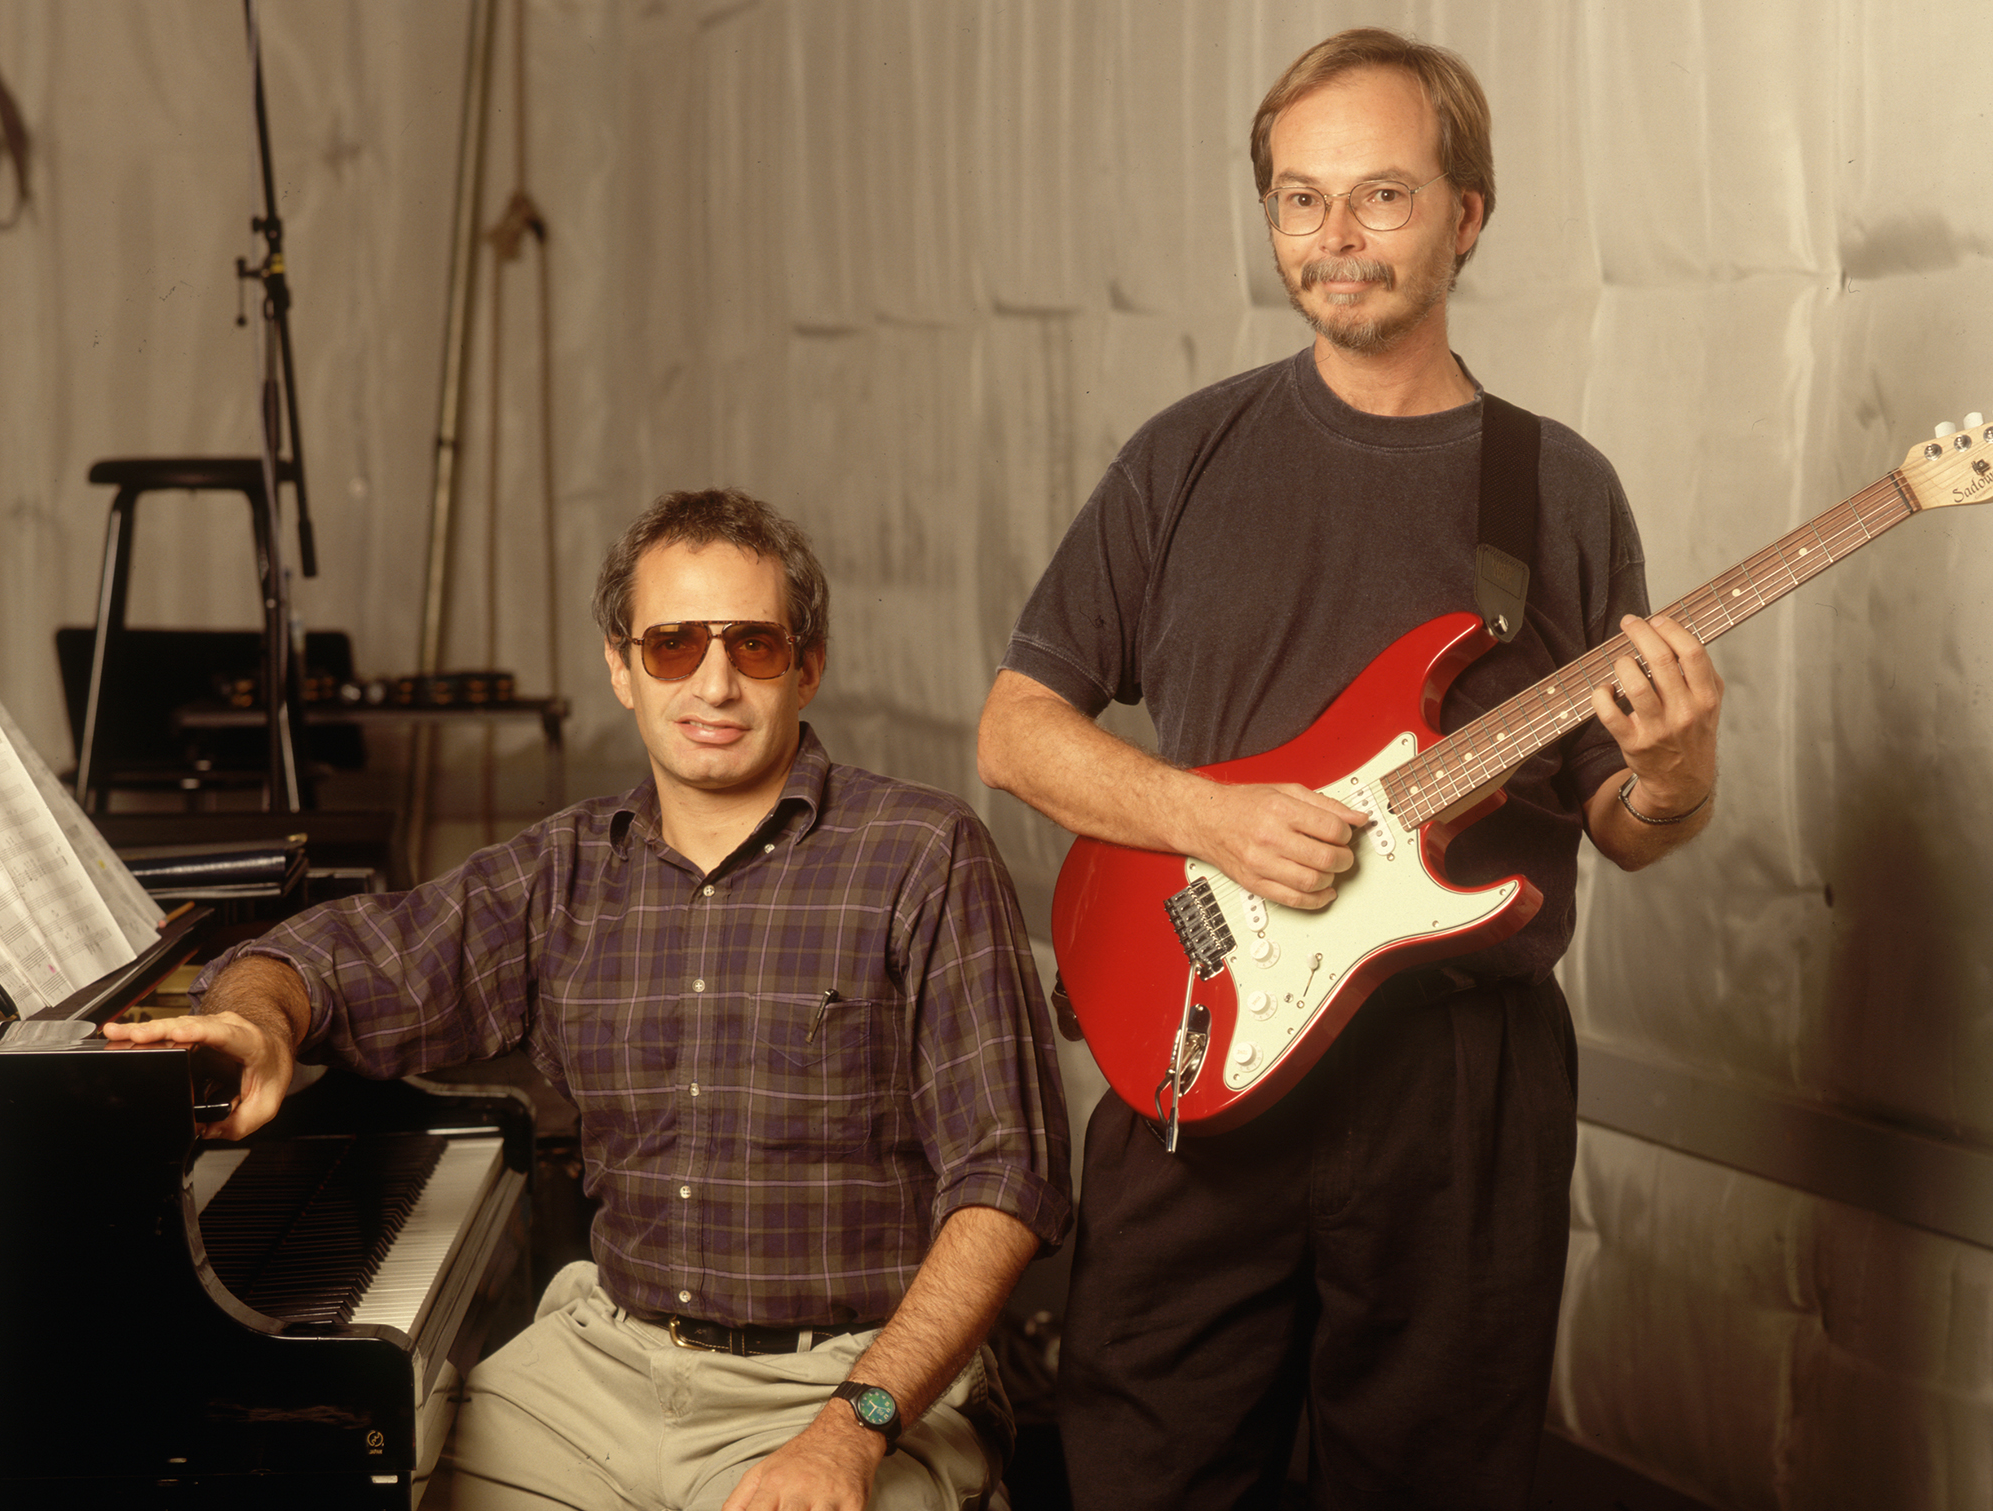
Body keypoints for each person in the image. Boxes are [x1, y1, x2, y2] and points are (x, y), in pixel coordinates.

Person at [976, 27, 1722, 1511]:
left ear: (1468, 213)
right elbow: (1016, 729)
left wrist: (1676, 776)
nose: (1335, 238)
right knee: (1149, 1471)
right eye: (1300, 201)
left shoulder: (1555, 489)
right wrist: (1212, 818)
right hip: (1200, 1028)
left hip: (1457, 1081)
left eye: (1379, 195)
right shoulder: (1187, 454)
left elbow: (1618, 821)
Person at [108, 488, 1072, 1511]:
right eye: (671, 646)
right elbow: (339, 957)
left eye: (751, 643)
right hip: (601, 1369)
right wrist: (261, 1015)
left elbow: (1005, 1187)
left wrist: (851, 1429)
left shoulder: (921, 853)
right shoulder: (563, 870)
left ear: (806, 666)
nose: (714, 682)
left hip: (841, 1378)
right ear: (620, 665)